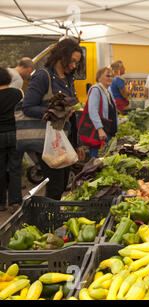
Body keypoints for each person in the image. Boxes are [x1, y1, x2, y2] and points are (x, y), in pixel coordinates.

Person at [22, 38, 86, 200]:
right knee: (55, 185)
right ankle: (48, 220)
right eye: (71, 61)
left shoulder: (68, 79)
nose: (73, 66)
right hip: (48, 142)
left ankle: (52, 216)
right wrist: (56, 111)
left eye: (76, 63)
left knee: (62, 183)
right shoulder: (43, 76)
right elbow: (28, 107)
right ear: (60, 55)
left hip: (64, 139)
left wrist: (76, 143)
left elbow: (71, 116)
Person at [0, 67, 24, 212]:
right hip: (16, 134)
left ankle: (1, 202)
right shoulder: (17, 93)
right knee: (15, 168)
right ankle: (15, 201)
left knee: (0, 169)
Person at [86, 67, 119, 159]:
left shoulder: (108, 91)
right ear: (99, 77)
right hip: (100, 135)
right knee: (97, 161)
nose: (110, 78)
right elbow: (92, 111)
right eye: (107, 76)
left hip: (109, 133)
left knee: (105, 160)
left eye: (112, 76)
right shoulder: (95, 89)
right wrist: (100, 129)